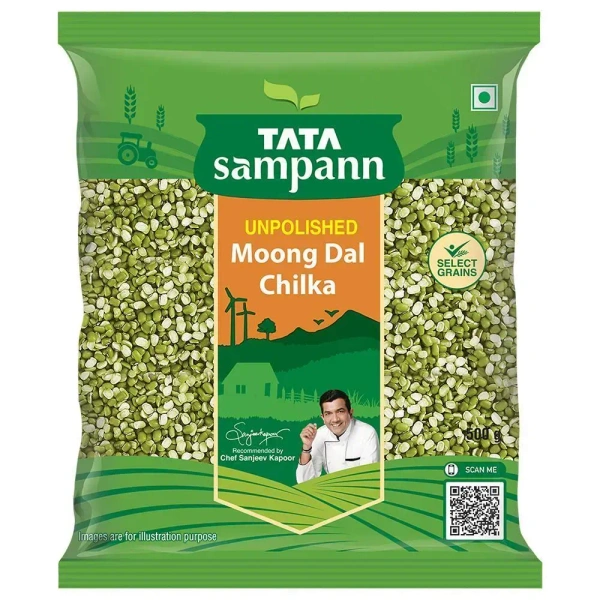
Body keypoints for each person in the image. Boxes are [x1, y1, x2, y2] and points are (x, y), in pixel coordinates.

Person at [296, 389, 379, 484]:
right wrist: (306, 447)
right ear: (323, 418)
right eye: (328, 413)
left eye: (340, 411)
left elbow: (369, 479)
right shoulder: (319, 435)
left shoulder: (367, 433)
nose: (335, 419)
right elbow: (305, 483)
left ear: (350, 413)